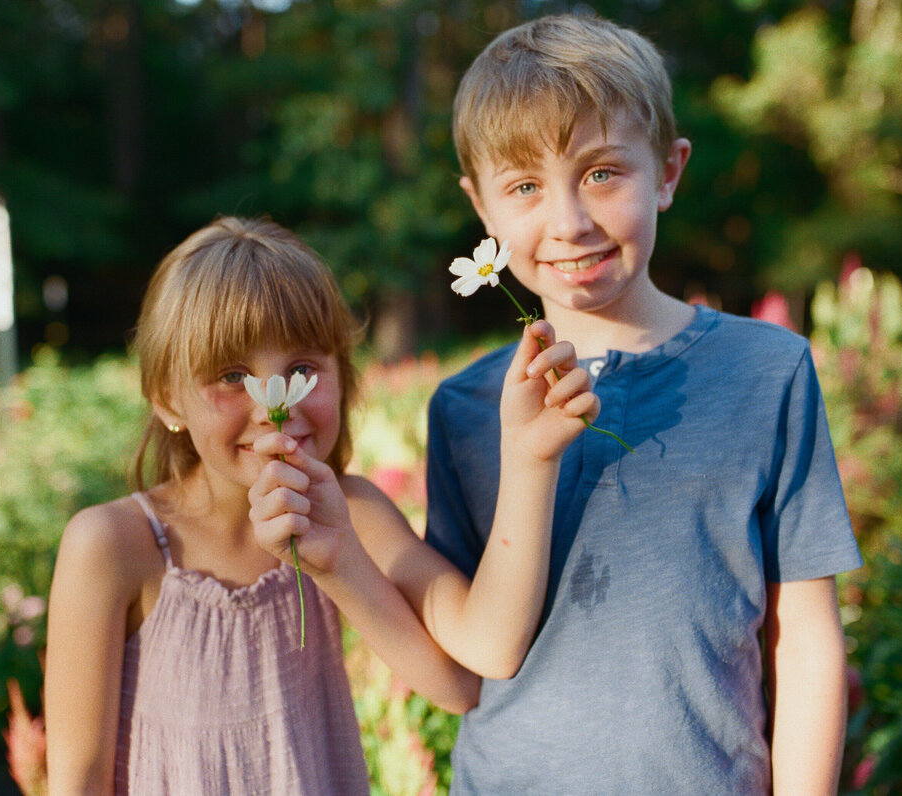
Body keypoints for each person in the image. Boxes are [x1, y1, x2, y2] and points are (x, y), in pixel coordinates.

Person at [424, 14, 863, 795]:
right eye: (525, 187)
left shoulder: (770, 370)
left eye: (601, 173)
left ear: (666, 170)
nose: (568, 221)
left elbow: (805, 641)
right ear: (481, 207)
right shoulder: (463, 408)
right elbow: (474, 646)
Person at [45, 215, 600, 795]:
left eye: (303, 370)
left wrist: (338, 565)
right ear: (167, 399)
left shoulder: (352, 513)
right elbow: (78, 778)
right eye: (232, 376)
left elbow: (458, 685)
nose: (272, 406)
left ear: (343, 374)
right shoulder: (113, 545)